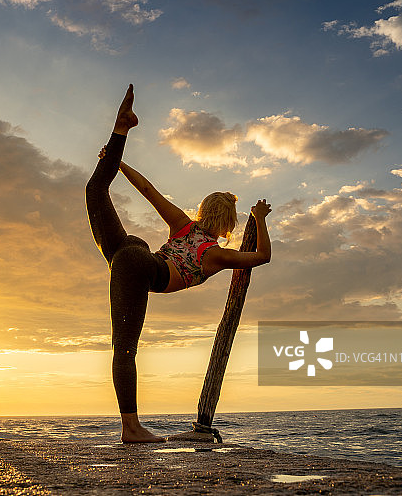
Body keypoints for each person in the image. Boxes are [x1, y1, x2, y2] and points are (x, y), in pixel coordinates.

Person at [85, 84, 272, 443]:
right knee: (125, 349)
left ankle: (121, 130)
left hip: (128, 253)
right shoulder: (216, 254)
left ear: (204, 211)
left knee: (95, 191)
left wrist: (116, 162)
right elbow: (262, 257)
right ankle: (131, 429)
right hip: (142, 268)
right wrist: (260, 219)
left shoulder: (183, 225)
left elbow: (148, 190)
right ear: (228, 224)